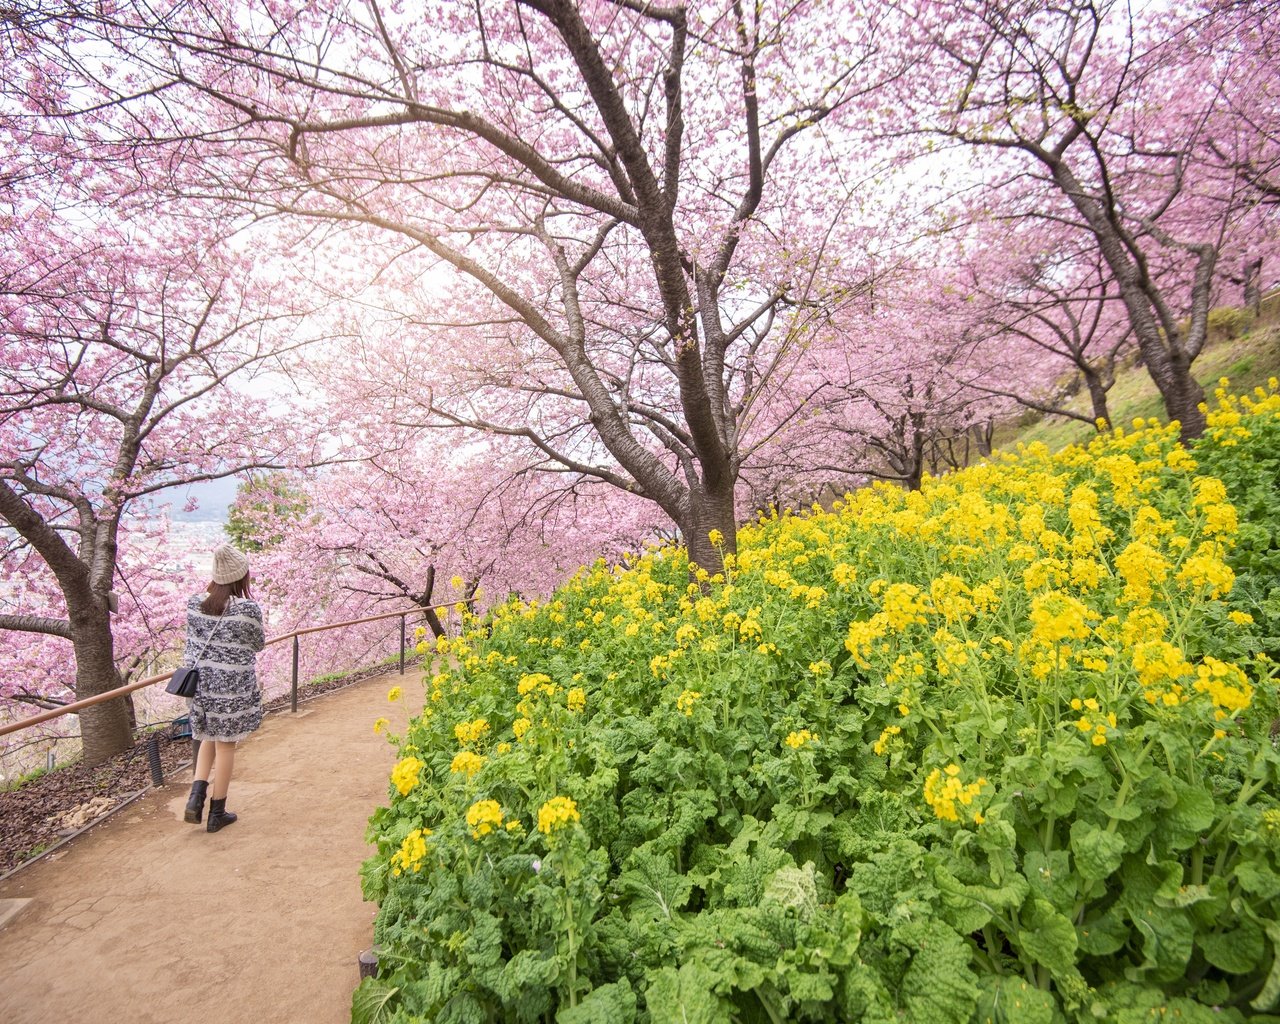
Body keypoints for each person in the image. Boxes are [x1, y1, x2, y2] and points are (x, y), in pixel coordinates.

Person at [182, 544, 266, 833]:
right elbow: (258, 644)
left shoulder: (195, 604)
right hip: (232, 688)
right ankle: (217, 811)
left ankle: (195, 799)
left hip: (202, 686)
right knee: (226, 744)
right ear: (241, 576)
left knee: (206, 736)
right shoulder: (247, 609)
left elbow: (191, 645)